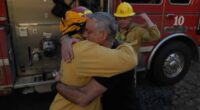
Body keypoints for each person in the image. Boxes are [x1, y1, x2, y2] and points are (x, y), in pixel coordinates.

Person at [49, 12, 138, 110]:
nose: (84, 35)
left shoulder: (114, 60)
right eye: (83, 30)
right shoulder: (92, 47)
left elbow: (82, 98)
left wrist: (56, 84)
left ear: (103, 35)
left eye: (88, 31)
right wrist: (65, 39)